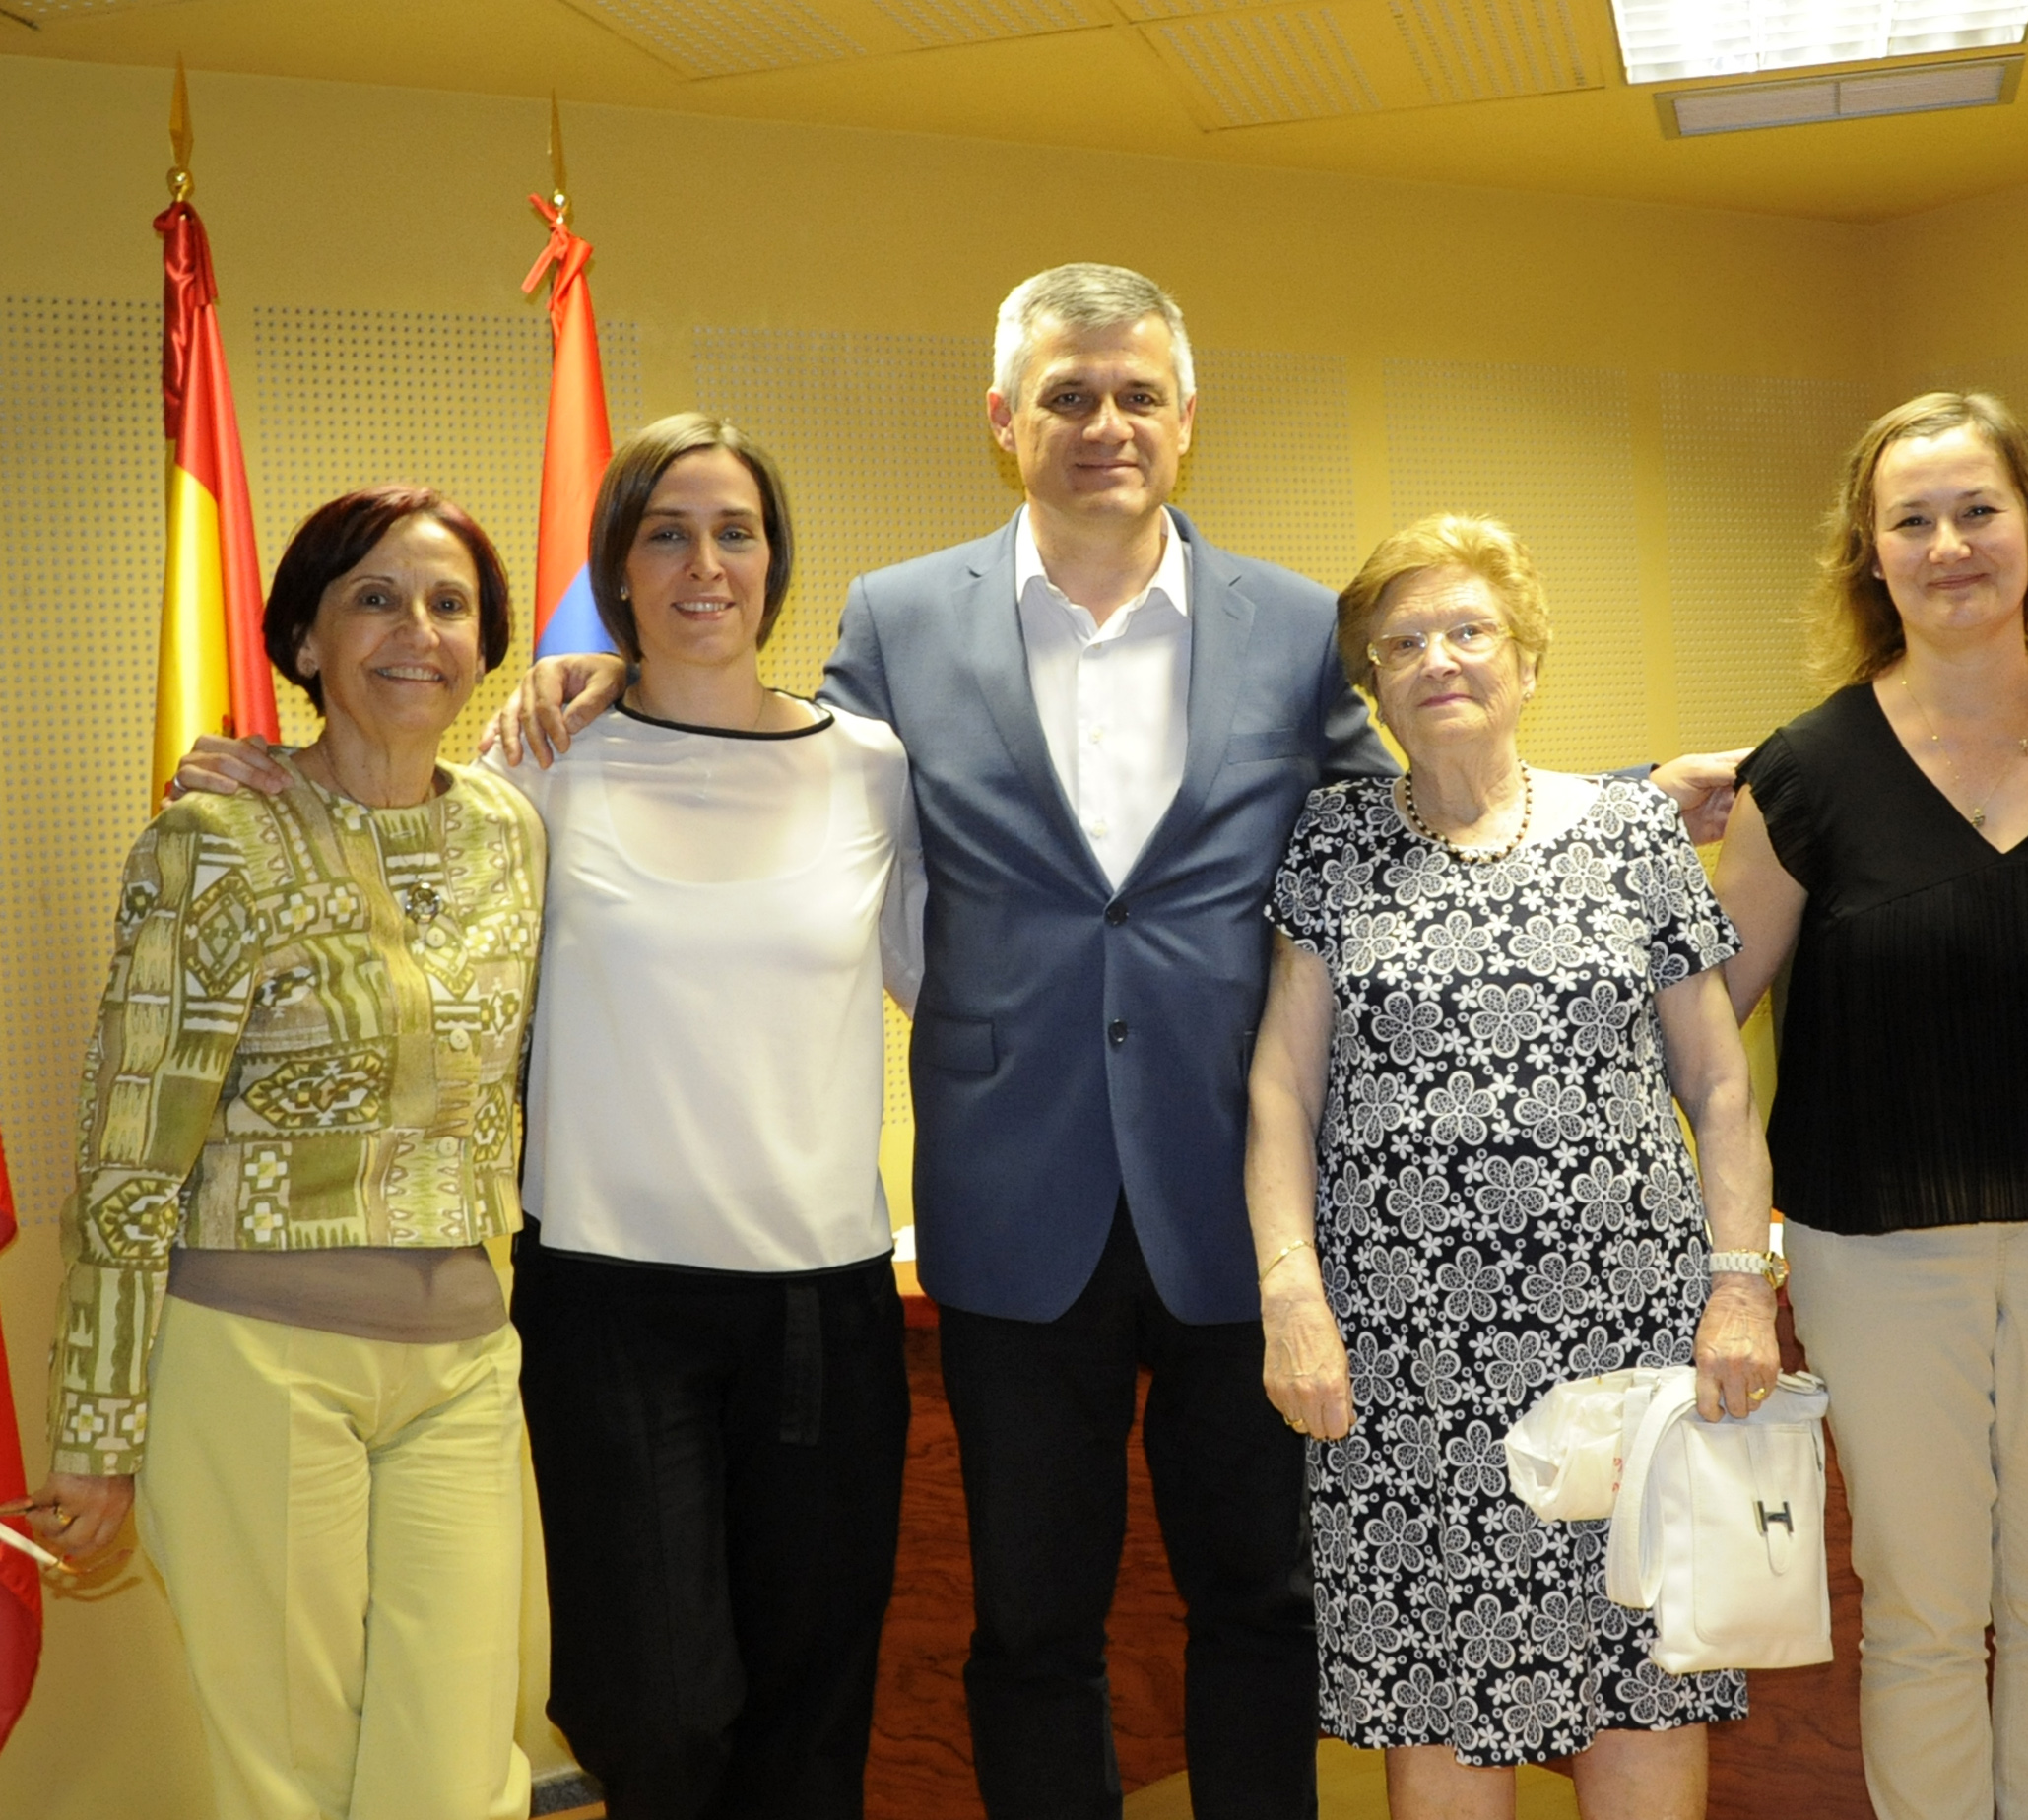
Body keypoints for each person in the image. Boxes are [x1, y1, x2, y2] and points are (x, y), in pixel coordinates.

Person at [498, 264, 1743, 1819]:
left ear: (1186, 416)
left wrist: (1618, 802)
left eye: (1138, 394)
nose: (1106, 424)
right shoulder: (898, 616)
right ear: (1004, 419)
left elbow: (1418, 803)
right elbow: (775, 762)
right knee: (1033, 1625)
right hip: (1010, 1197)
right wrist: (615, 675)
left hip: (1238, 1199)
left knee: (1261, 1606)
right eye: (1070, 396)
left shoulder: (1289, 626)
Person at [172, 415, 926, 1819]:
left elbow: (955, 985)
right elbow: (380, 819)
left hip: (823, 1304)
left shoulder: (873, 767)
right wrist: (257, 783)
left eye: (736, 532)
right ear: (618, 567)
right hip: (610, 1303)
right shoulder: (539, 766)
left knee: (813, 1703)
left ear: (775, 562)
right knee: (653, 1708)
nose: (705, 564)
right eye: (666, 534)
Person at [15, 488, 543, 1819]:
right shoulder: (216, 840)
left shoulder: (511, 832)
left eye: (449, 605)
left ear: (485, 647)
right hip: (254, 1362)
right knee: (289, 1778)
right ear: (305, 640)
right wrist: (99, 1429)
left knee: (459, 1769)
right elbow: (131, 1152)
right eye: (374, 599)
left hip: (465, 1362)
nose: (416, 631)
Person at [1246, 513, 1779, 1819]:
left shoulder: (1633, 833)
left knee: (1643, 1690)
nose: (1439, 659)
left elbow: (1718, 1086)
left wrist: (1739, 1289)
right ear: (1373, 689)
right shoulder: (1333, 842)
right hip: (1406, 1367)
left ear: (1527, 662)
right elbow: (1282, 1089)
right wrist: (1291, 1294)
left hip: (1627, 1350)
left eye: (1469, 630)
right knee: (1437, 1707)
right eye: (1403, 643)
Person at [1711, 393, 2028, 1820]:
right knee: (1921, 1610)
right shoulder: (1804, 772)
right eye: (1910, 520)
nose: (1949, 544)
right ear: (1870, 555)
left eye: (1979, 510)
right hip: (1875, 1251)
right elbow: (1708, 1027)